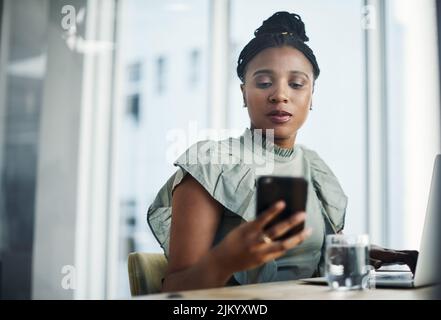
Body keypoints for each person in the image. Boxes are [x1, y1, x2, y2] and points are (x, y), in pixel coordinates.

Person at [147, 11, 418, 293]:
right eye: (264, 83)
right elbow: (173, 291)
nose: (280, 95)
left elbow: (319, 256)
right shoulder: (212, 164)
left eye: (297, 84)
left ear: (311, 96)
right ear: (243, 93)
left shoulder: (314, 168)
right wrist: (224, 261)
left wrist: (381, 255)